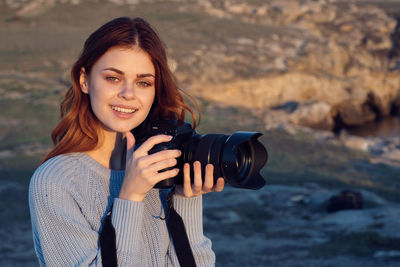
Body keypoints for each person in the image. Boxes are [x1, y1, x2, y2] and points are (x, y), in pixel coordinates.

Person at [29, 16, 225, 266]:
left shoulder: (160, 167)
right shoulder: (56, 182)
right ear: (84, 80)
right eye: (113, 78)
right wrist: (130, 197)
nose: (128, 94)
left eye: (143, 82)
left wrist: (185, 199)